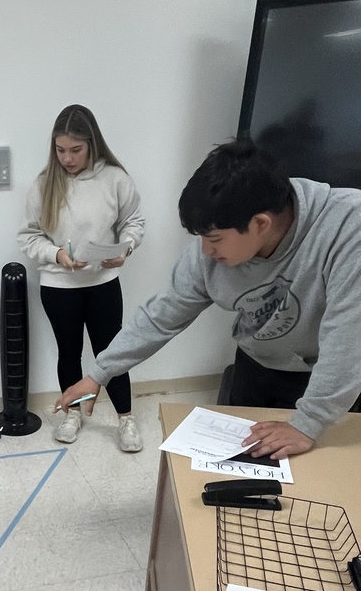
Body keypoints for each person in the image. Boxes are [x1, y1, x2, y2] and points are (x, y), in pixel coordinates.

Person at [56, 139, 361, 460]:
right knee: (242, 473)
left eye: (214, 240)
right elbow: (160, 316)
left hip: (335, 382)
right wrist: (98, 373)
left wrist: (308, 423)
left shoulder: (347, 226)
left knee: (321, 485)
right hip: (258, 364)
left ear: (260, 224)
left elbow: (349, 339)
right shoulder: (212, 249)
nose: (206, 253)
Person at [18, 104, 145, 450]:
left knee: (111, 353)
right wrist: (57, 255)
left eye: (75, 150)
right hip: (59, 286)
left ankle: (126, 419)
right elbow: (29, 236)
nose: (67, 158)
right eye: (60, 150)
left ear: (92, 144)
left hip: (102, 284)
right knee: (68, 352)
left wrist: (126, 249)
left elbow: (134, 222)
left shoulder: (115, 179)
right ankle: (72, 413)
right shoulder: (44, 184)